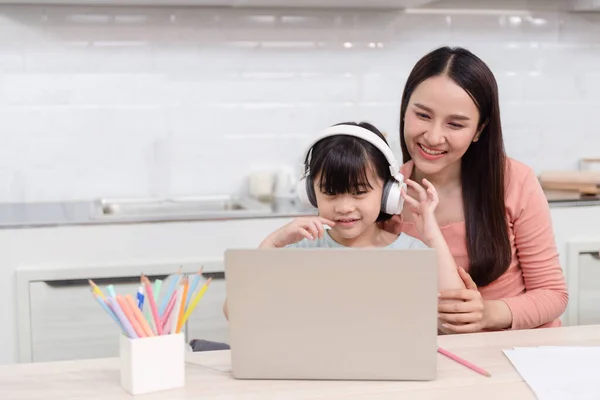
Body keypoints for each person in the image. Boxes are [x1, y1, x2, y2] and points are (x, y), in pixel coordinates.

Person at [383, 46, 568, 333]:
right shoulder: (382, 193)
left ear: (479, 130)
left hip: (520, 349)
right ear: (405, 110)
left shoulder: (515, 181)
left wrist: (488, 313)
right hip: (437, 352)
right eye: (422, 115)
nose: (433, 137)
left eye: (455, 124)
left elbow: (553, 295)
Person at [223, 121, 465, 320]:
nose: (345, 207)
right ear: (310, 193)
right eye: (330, 193)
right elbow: (235, 314)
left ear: (388, 192)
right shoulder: (299, 250)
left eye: (359, 192)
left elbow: (458, 313)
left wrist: (433, 235)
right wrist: (273, 244)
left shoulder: (412, 252)